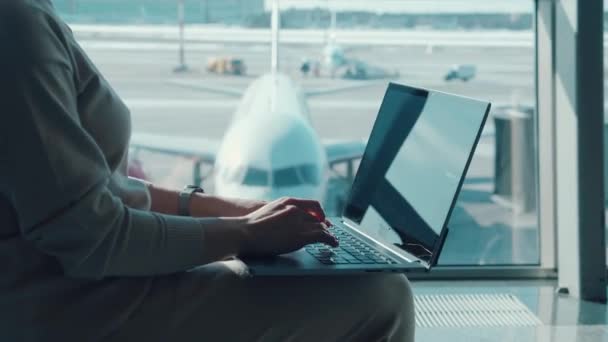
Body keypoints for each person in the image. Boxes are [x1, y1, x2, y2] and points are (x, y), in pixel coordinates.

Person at [0, 1, 415, 341]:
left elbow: (95, 189)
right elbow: (89, 239)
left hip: (61, 284)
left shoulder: (29, 18)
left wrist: (235, 209)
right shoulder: (19, 24)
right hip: (62, 306)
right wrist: (246, 234)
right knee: (383, 295)